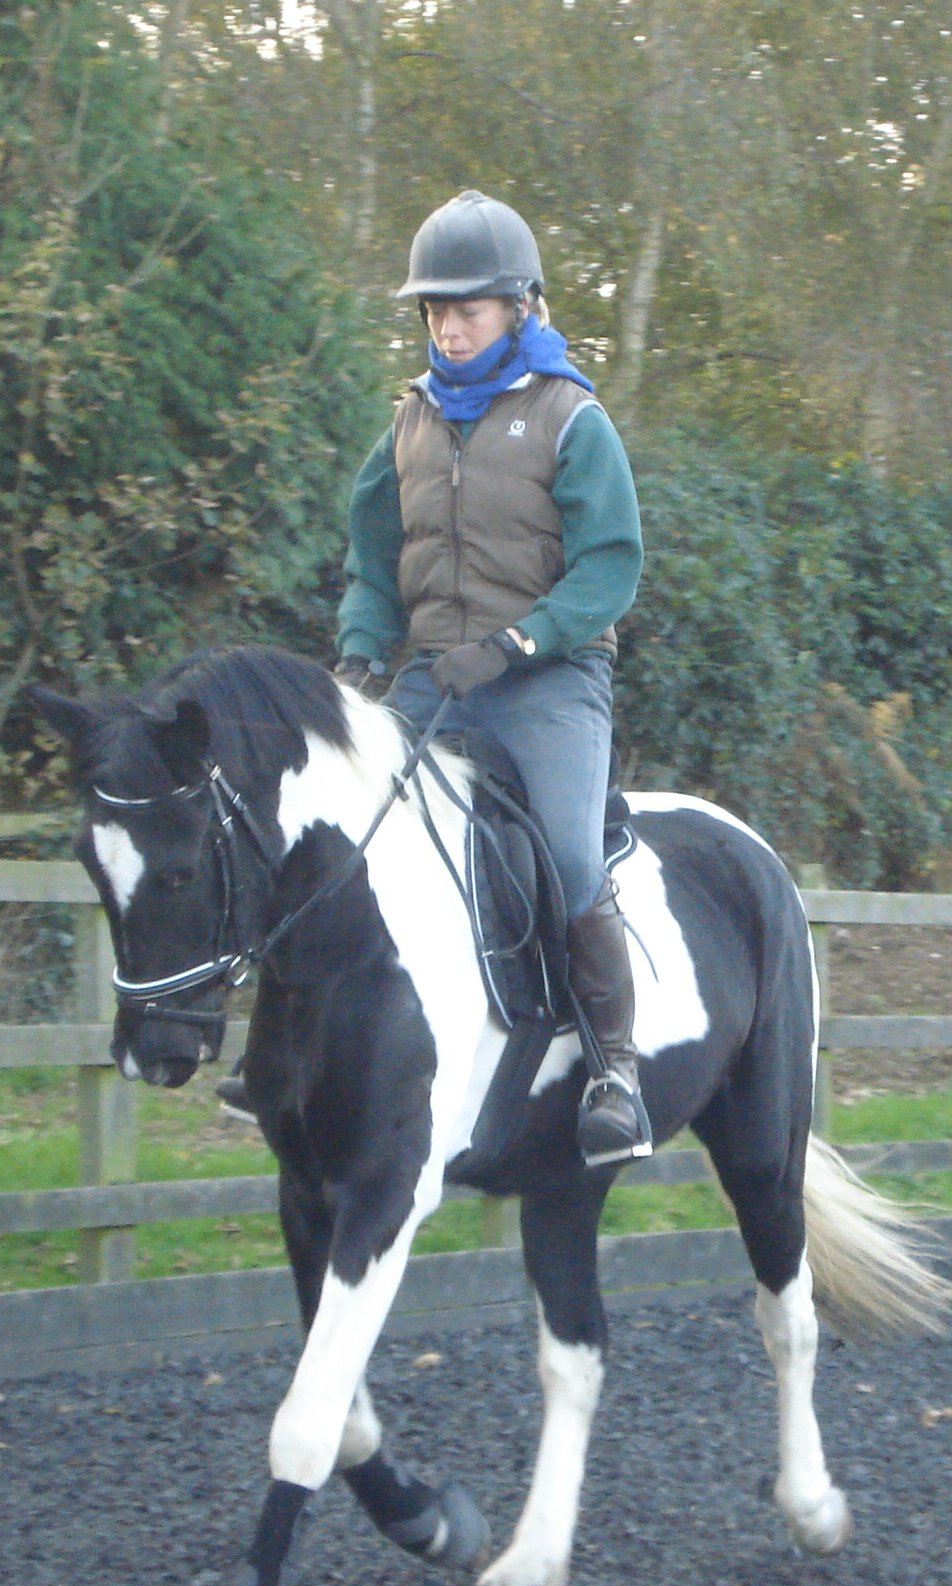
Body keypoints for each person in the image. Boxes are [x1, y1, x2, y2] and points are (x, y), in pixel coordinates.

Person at [334, 189, 652, 1167]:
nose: (449, 326)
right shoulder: (409, 424)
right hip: (436, 675)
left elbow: (610, 567)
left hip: (551, 680)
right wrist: (359, 652)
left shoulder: (571, 417)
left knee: (567, 855)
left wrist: (516, 645)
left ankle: (615, 1073)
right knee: (341, 825)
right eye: (435, 308)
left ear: (518, 307)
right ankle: (312, 1048)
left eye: (467, 308)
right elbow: (371, 558)